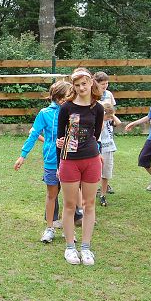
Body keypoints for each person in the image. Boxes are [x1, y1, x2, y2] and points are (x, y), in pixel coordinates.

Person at [14, 80, 73, 243]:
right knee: (51, 195)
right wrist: (23, 155)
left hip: (70, 160)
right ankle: (49, 228)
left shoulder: (73, 112)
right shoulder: (44, 113)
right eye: (69, 95)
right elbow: (33, 134)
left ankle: (68, 229)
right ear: (60, 98)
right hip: (51, 161)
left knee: (70, 197)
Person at [56, 68, 104, 266]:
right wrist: (59, 163)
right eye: (77, 85)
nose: (81, 88)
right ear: (73, 87)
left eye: (84, 83)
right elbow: (60, 138)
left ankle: (85, 248)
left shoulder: (98, 108)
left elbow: (96, 135)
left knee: (89, 205)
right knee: (69, 205)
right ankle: (70, 247)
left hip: (91, 160)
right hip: (69, 161)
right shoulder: (66, 108)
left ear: (91, 82)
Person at [98, 100, 120, 207]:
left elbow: (118, 123)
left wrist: (111, 115)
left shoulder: (110, 121)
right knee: (96, 173)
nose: (110, 118)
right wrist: (101, 116)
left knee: (106, 173)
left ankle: (103, 194)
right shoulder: (99, 122)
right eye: (108, 116)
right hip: (100, 149)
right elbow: (101, 128)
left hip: (109, 149)